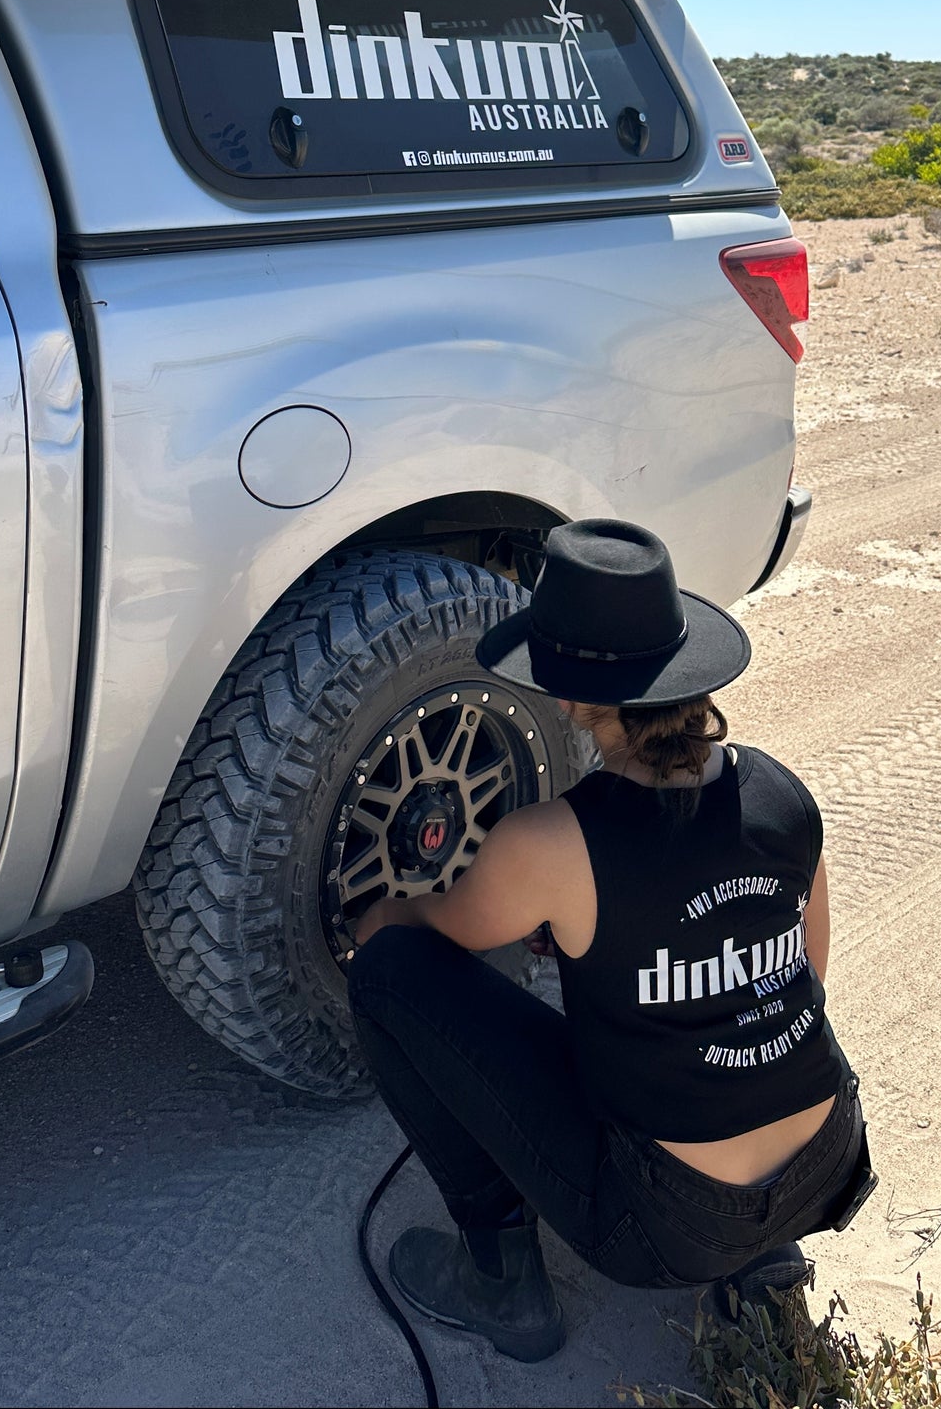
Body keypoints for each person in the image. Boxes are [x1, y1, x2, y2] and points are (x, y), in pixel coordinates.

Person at [346, 518, 874, 1363]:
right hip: (826, 1163)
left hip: (668, 1226)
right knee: (738, 1018)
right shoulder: (783, 793)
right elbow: (804, 978)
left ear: (569, 697)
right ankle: (763, 1260)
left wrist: (382, 920)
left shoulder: (553, 843)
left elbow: (448, 929)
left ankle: (500, 1276)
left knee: (389, 972)